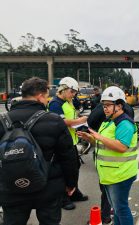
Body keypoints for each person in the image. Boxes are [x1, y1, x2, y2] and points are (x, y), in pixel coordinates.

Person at [0, 77, 78, 225]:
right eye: (47, 97)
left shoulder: (2, 120)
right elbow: (68, 157)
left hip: (11, 187)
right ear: (40, 96)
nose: (47, 100)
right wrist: (70, 183)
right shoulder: (54, 120)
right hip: (48, 186)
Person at [78, 86, 138, 225]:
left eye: (108, 105)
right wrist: (90, 138)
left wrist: (98, 136)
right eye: (103, 105)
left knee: (121, 209)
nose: (105, 109)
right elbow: (103, 144)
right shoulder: (108, 121)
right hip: (109, 173)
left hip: (120, 174)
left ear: (119, 105)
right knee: (116, 210)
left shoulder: (124, 123)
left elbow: (121, 147)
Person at [48, 77, 88, 210]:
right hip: (60, 144)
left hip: (71, 141)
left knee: (74, 168)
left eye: (74, 92)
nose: (73, 95)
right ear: (63, 89)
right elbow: (62, 122)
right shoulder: (55, 103)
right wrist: (81, 120)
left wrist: (80, 124)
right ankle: (63, 198)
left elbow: (74, 115)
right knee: (64, 172)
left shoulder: (68, 101)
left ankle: (74, 192)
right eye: (72, 91)